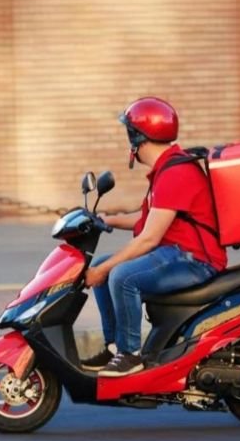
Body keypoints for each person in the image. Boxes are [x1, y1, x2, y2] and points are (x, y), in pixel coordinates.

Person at [82, 97, 228, 377]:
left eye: (129, 133)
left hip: (195, 261)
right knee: (105, 264)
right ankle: (115, 349)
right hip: (176, 253)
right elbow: (148, 219)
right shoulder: (167, 169)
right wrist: (106, 221)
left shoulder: (176, 173)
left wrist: (102, 270)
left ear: (138, 137)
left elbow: (149, 238)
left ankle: (129, 355)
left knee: (121, 275)